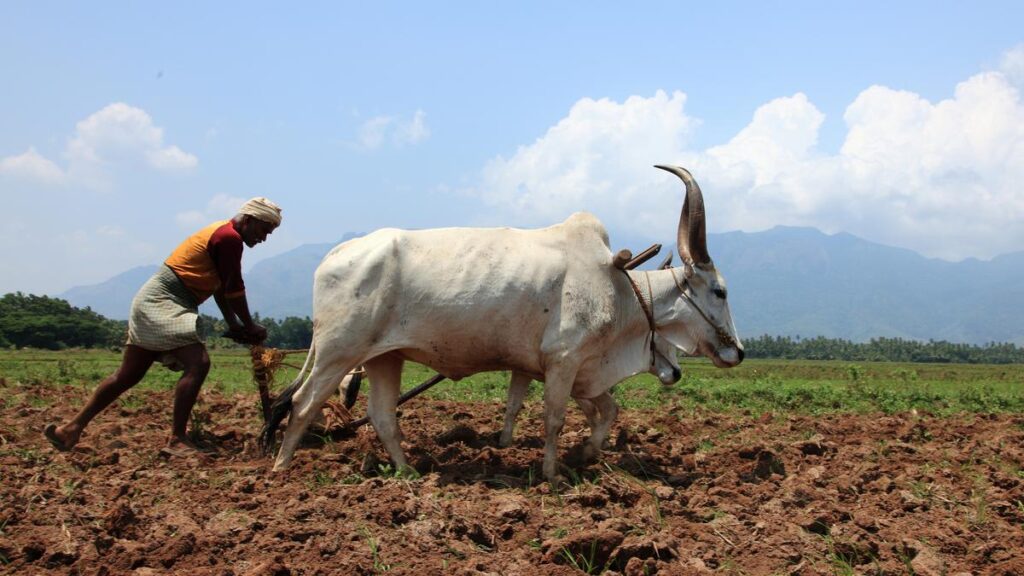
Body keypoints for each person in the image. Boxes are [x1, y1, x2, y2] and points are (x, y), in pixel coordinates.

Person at [44, 197, 282, 454]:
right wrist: (249, 325)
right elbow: (234, 289)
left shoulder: (224, 234)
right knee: (198, 363)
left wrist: (234, 325)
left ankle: (70, 430)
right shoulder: (229, 238)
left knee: (127, 376)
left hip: (154, 300)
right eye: (263, 231)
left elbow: (222, 289)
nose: (263, 239)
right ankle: (177, 439)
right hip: (164, 300)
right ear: (248, 220)